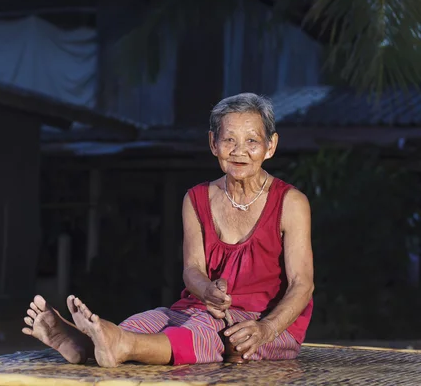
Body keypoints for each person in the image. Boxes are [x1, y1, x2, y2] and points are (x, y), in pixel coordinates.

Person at [22, 93, 314, 367]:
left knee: (208, 331)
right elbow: (192, 269)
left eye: (252, 141)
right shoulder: (196, 198)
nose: (239, 151)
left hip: (268, 325)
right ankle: (82, 344)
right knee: (146, 322)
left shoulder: (291, 203)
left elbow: (303, 284)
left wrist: (266, 329)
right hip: (201, 309)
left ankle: (122, 345)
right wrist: (207, 291)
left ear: (270, 146)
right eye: (229, 140)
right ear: (213, 143)